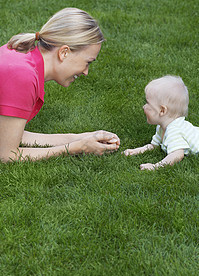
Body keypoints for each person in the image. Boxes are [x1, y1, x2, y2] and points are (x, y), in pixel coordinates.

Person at [0, 7, 120, 162]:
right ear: (64, 52)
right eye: (87, 62)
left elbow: (8, 133)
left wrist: (81, 138)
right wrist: (78, 147)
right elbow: (7, 154)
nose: (86, 72)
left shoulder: (23, 57)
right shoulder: (24, 75)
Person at [123, 75, 199, 170]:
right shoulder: (162, 126)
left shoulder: (174, 130)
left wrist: (155, 166)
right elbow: (154, 145)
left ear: (162, 111)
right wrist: (137, 150)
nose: (144, 107)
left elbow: (177, 154)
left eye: (148, 103)